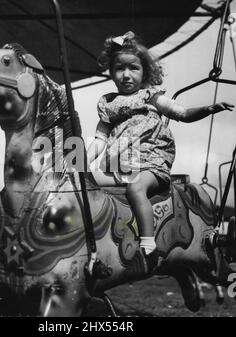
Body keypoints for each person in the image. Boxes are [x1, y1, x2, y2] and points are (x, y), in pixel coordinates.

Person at [87, 31, 234, 275]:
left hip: (152, 163)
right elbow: (100, 141)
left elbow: (182, 113)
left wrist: (207, 109)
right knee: (87, 186)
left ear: (143, 71)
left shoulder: (150, 97)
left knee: (136, 188)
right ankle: (101, 246)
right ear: (111, 72)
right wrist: (84, 161)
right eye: (119, 69)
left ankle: (148, 244)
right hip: (123, 164)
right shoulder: (107, 105)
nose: (126, 75)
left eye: (133, 68)